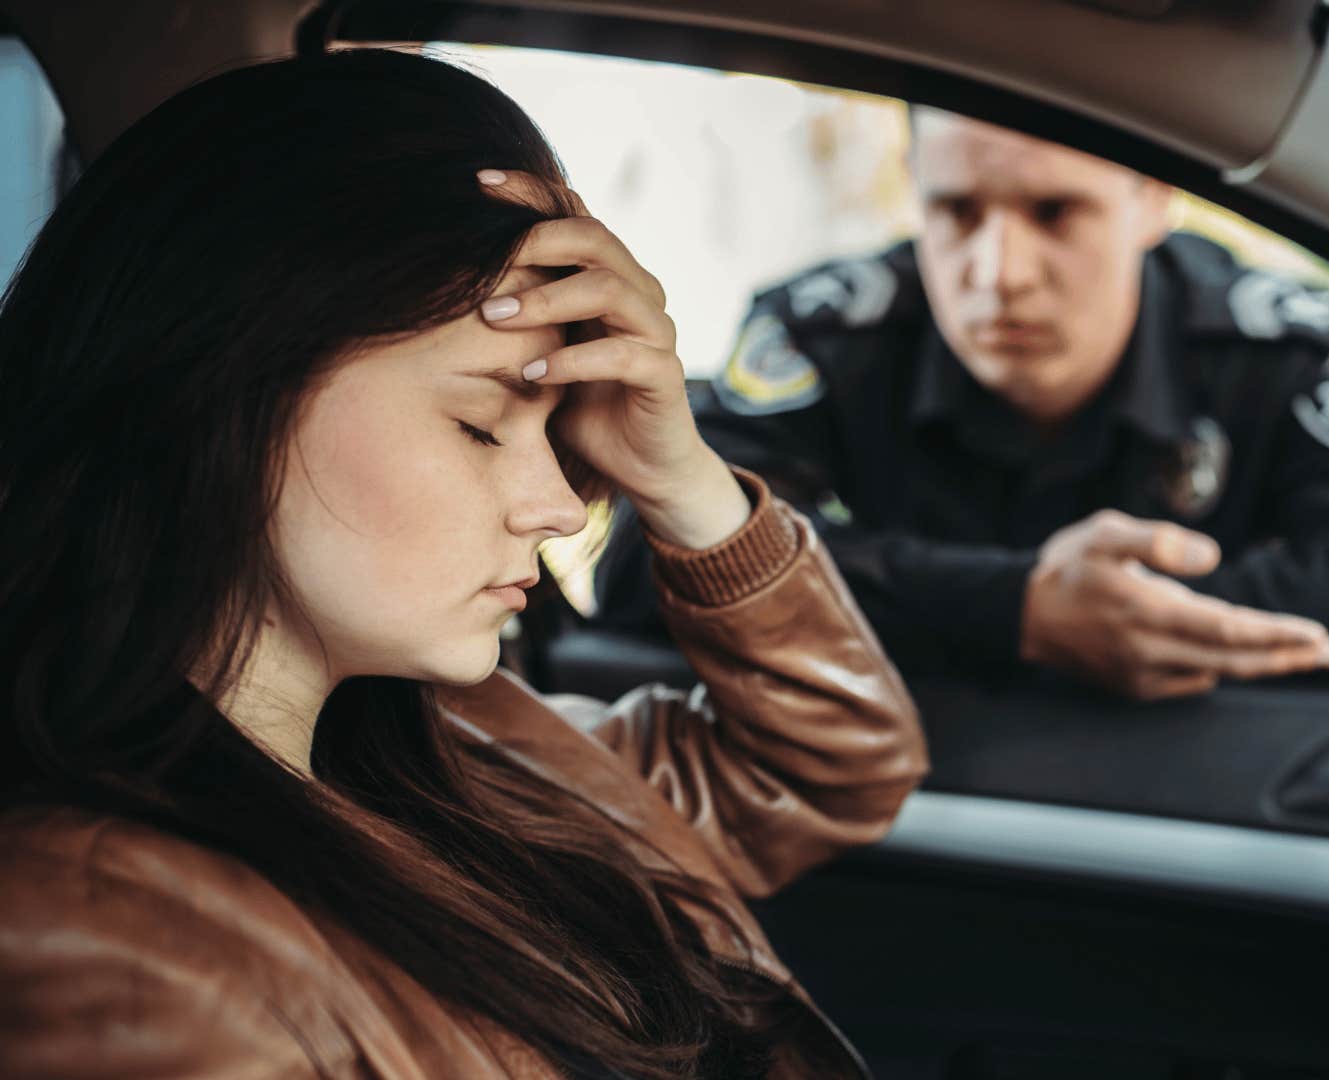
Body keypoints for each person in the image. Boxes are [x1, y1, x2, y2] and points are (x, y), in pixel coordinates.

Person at [0, 51, 925, 1078]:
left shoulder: (466, 747)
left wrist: (685, 480)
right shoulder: (102, 934)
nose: (558, 502)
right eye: (483, 424)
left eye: (556, 429)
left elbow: (833, 770)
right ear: (219, 391)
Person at [594, 109, 1329, 699]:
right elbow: (644, 564)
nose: (998, 275)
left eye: (1055, 213)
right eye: (956, 212)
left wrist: (1119, 613)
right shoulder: (827, 334)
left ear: (1154, 200)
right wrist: (1016, 608)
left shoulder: (1273, 343)